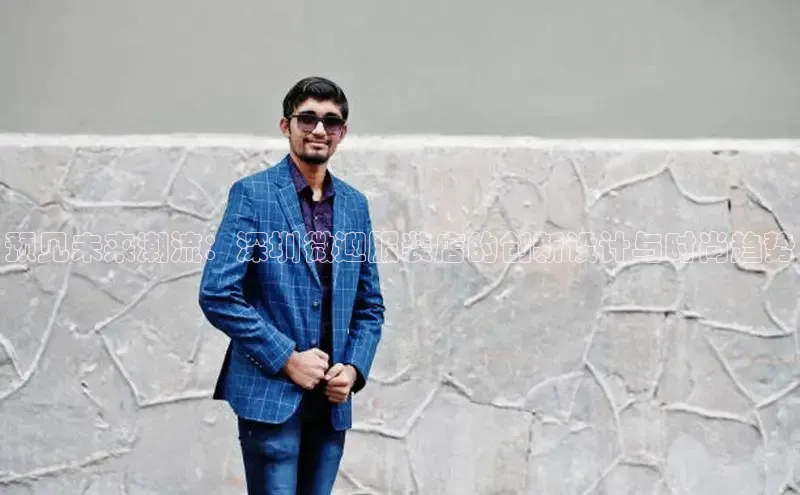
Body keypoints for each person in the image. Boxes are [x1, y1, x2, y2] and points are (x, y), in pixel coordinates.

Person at [198, 76, 385, 494]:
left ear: (342, 133)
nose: (319, 129)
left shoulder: (355, 206)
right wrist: (286, 358)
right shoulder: (253, 195)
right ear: (286, 126)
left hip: (332, 401)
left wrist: (354, 368)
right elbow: (217, 293)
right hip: (270, 394)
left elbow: (369, 305)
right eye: (307, 118)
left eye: (330, 121)